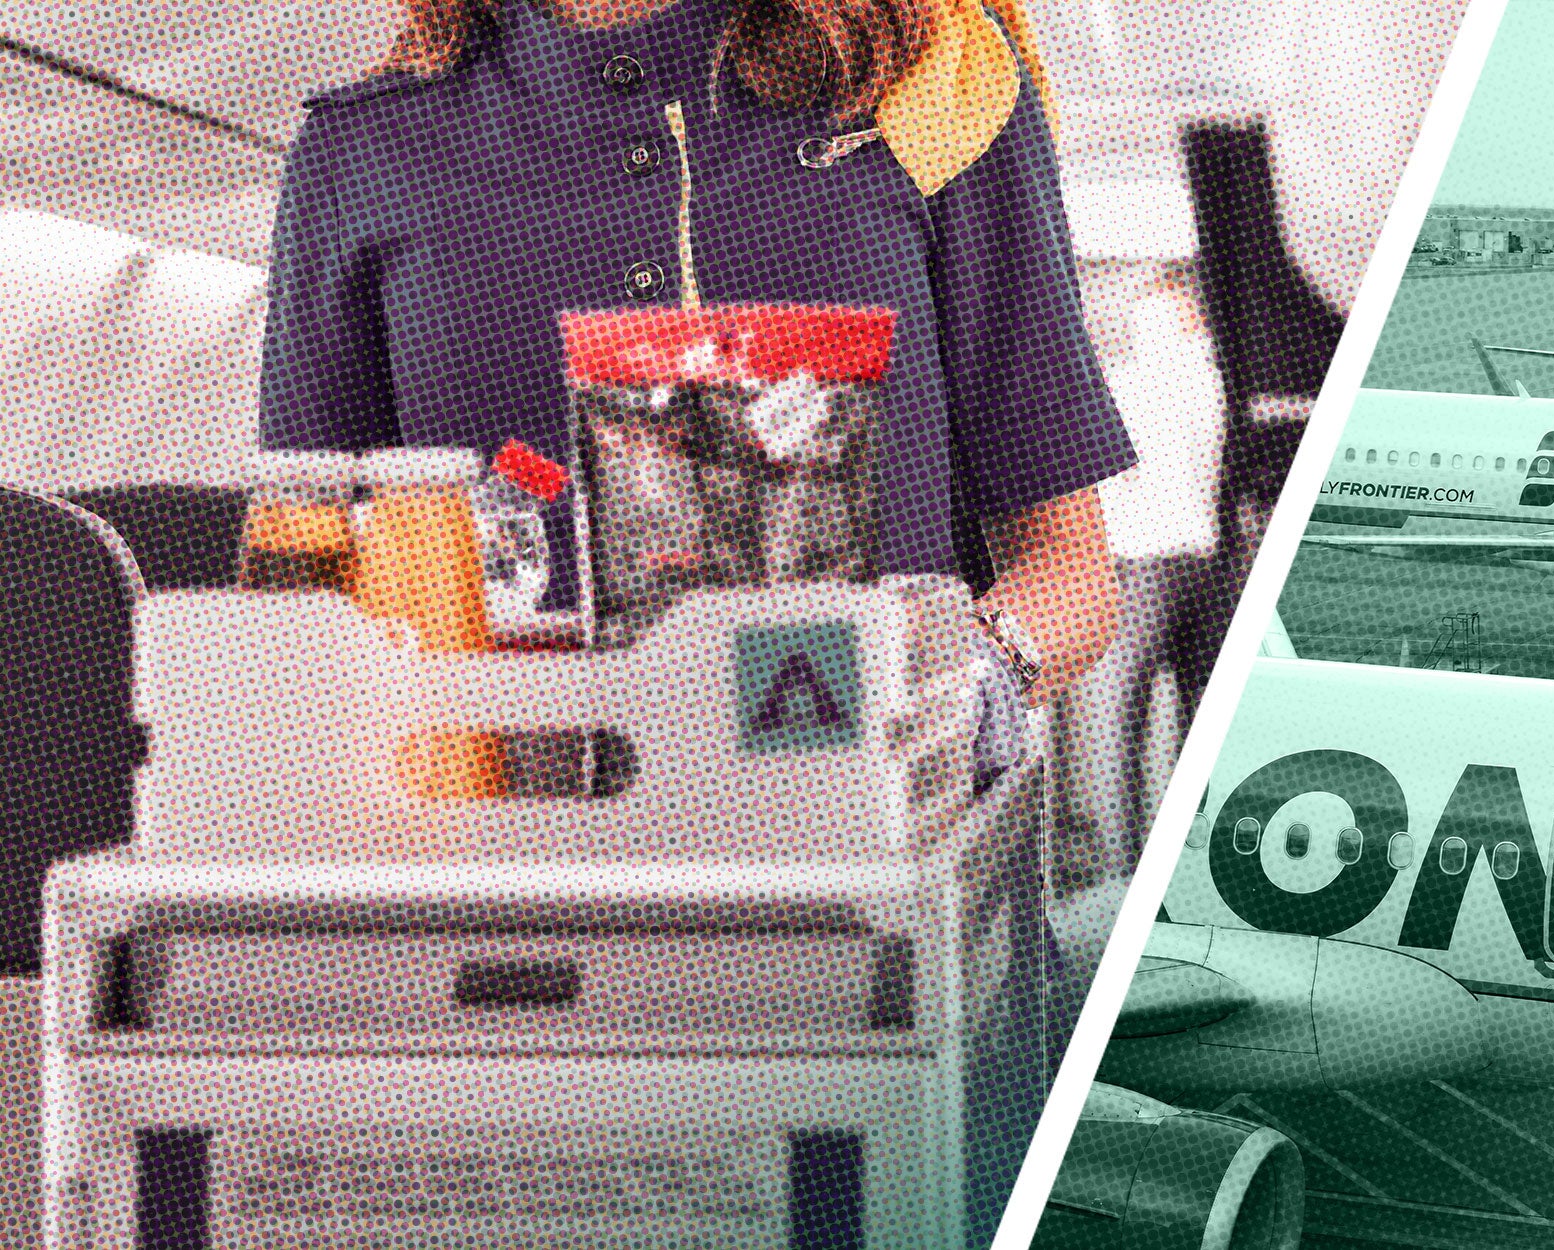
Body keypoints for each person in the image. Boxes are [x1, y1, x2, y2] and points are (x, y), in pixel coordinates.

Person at [257, 0, 1134, 777]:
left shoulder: (925, 75)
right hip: (527, 872)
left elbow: (1070, 569)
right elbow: (306, 623)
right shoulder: (360, 155)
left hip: (891, 858)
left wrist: (964, 684)